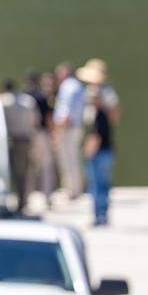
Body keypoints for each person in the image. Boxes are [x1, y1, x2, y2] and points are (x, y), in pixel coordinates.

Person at [77, 60, 116, 225]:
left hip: (99, 150)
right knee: (103, 183)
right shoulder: (105, 108)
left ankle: (99, 216)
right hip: (107, 148)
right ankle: (103, 215)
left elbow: (96, 134)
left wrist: (88, 149)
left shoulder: (98, 113)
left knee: (96, 184)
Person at [0, 78, 37, 212]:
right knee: (24, 172)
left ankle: (10, 200)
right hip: (26, 139)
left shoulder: (3, 101)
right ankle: (23, 200)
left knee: (7, 170)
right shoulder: (28, 101)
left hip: (10, 139)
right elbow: (35, 121)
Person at [52, 62, 86, 199]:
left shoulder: (68, 86)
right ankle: (75, 188)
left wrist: (57, 131)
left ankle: (72, 190)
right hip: (74, 127)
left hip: (67, 128)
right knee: (73, 158)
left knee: (67, 160)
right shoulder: (77, 86)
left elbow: (65, 112)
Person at [24, 70, 55, 200]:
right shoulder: (42, 96)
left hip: (28, 134)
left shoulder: (24, 96)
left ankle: (26, 194)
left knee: (29, 167)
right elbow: (48, 117)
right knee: (46, 165)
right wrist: (52, 132)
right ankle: (47, 194)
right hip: (42, 133)